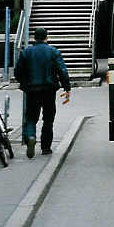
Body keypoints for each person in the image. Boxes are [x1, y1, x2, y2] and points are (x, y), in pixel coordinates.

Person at [14, 28, 71, 158]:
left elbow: (18, 72)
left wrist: (25, 83)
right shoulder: (53, 52)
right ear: (47, 37)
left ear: (34, 38)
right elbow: (62, 70)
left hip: (32, 90)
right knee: (48, 119)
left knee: (31, 117)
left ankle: (31, 136)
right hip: (49, 90)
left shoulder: (26, 52)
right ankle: (46, 148)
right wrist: (66, 87)